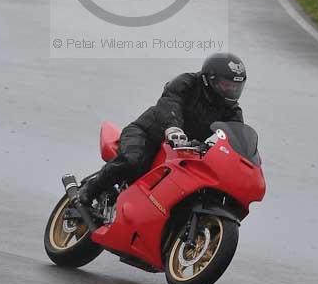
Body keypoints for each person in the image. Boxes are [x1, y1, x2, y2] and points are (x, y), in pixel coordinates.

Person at [79, 52, 247, 206]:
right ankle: (91, 188)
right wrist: (173, 128)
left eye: (235, 87)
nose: (231, 90)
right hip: (148, 133)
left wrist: (243, 163)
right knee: (132, 161)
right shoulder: (187, 83)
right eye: (227, 85)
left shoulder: (231, 111)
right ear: (209, 79)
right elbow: (170, 102)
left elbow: (238, 138)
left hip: (183, 150)